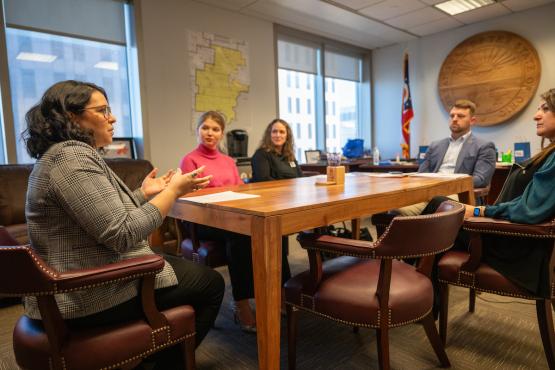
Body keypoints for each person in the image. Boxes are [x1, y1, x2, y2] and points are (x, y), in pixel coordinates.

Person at [22, 80, 224, 369]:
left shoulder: (64, 155)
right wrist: (172, 193)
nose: (112, 117)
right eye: (103, 110)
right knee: (212, 284)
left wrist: (144, 193)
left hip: (85, 273)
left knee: (186, 271)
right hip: (83, 293)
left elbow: (102, 216)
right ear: (71, 116)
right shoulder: (71, 158)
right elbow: (122, 233)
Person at [427, 89, 555, 298]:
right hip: (509, 235)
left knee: (437, 209)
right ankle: (423, 295)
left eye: (545, 109)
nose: (536, 115)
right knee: (437, 215)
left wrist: (479, 211)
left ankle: (417, 293)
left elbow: (527, 210)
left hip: (512, 243)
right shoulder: (550, 153)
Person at [180, 111, 260, 333]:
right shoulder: (190, 159)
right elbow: (187, 198)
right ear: (198, 130)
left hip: (228, 218)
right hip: (201, 221)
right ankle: (241, 303)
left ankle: (268, 295)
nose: (210, 133)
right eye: (205, 127)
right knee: (238, 232)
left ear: (221, 134)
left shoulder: (228, 161)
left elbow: (239, 190)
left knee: (254, 228)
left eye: (215, 129)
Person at [397, 99, 496, 215]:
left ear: (472, 120)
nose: (454, 119)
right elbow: (421, 173)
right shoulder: (435, 145)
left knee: (429, 207)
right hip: (428, 192)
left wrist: (446, 184)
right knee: (395, 209)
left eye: (460, 116)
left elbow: (481, 179)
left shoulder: (484, 146)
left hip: (459, 195)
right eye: (452, 115)